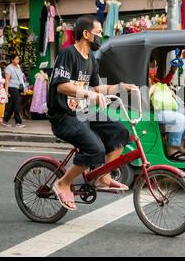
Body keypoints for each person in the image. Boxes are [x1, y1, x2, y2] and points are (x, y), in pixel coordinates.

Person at [47, 15, 136, 210]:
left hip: (83, 113)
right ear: (86, 34)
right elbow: (62, 86)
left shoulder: (92, 61)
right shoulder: (68, 54)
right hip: (64, 116)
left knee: (120, 132)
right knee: (96, 149)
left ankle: (103, 177)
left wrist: (122, 87)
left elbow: (97, 89)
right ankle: (63, 183)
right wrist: (88, 95)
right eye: (98, 33)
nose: (100, 37)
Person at [148, 58, 185, 161]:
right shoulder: (145, 80)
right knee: (180, 119)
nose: (155, 68)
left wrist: (172, 71)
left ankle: (182, 144)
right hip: (152, 111)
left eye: (155, 66)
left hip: (162, 108)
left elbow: (163, 84)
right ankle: (172, 148)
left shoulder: (154, 79)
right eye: (152, 66)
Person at [3, 55, 25, 128]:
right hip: (12, 87)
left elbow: (21, 78)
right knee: (17, 103)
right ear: (12, 60)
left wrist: (24, 87)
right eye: (16, 59)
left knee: (13, 105)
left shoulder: (18, 67)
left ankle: (5, 119)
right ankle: (18, 122)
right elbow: (7, 80)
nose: (17, 60)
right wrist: (6, 91)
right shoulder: (9, 68)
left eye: (18, 59)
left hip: (18, 87)